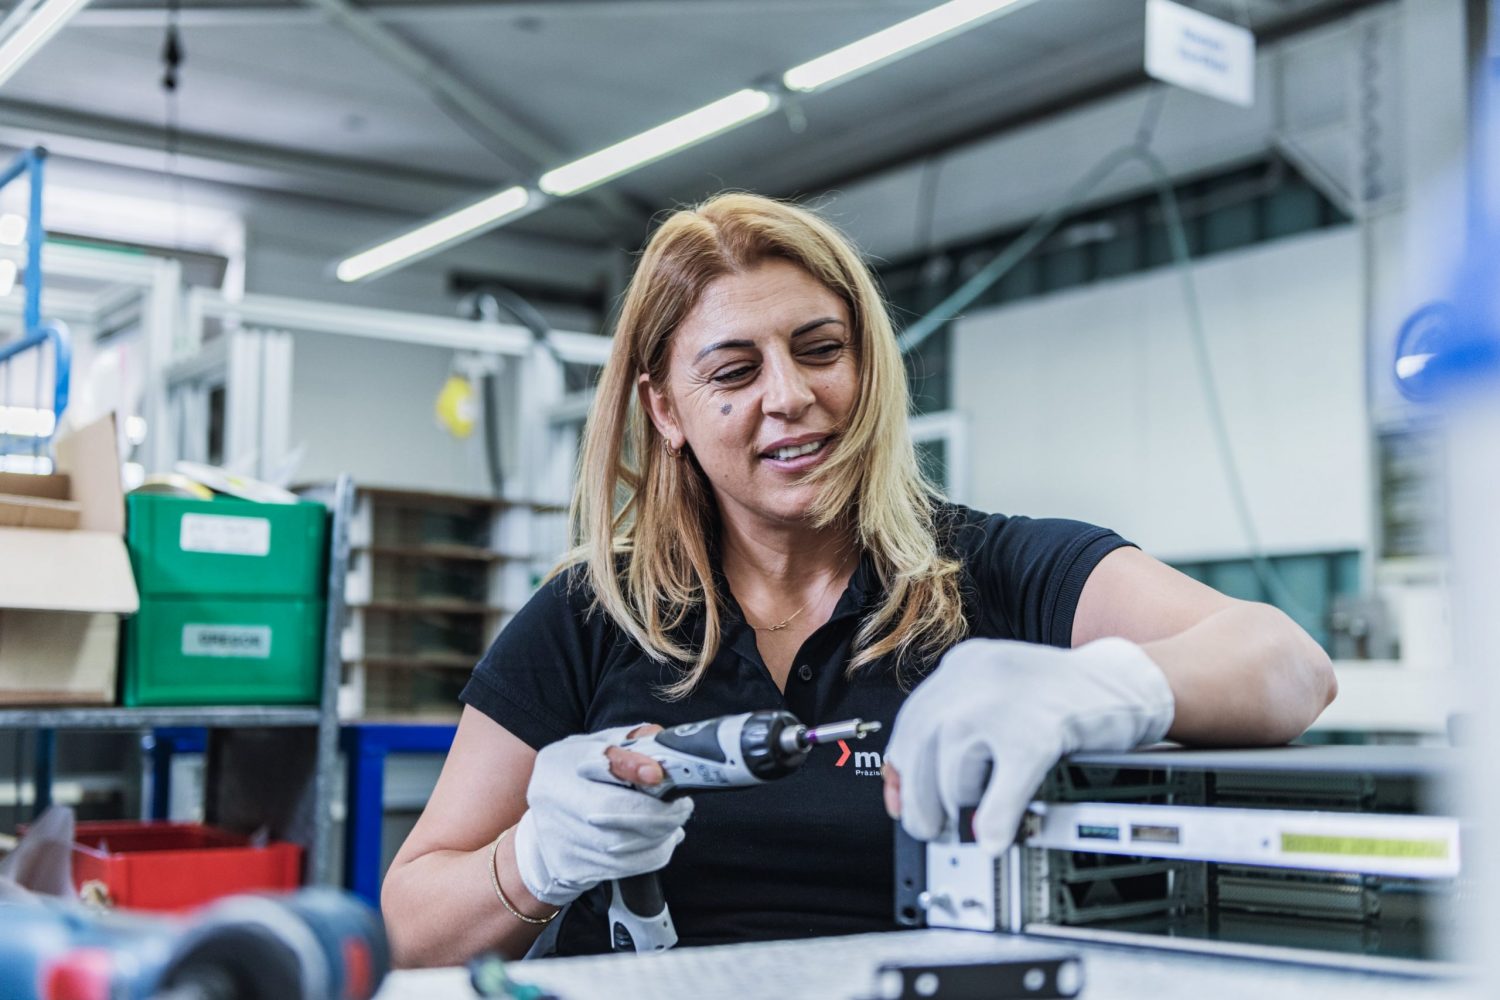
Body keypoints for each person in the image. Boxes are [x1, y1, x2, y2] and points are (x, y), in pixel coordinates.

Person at [381, 193, 1337, 967]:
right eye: (733, 370)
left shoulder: (997, 572)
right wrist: (535, 860)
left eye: (821, 349)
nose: (790, 395)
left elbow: (1290, 665)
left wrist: (1106, 687)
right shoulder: (594, 614)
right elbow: (411, 930)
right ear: (663, 407)